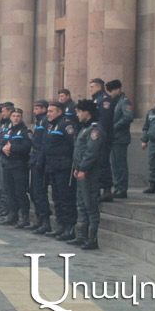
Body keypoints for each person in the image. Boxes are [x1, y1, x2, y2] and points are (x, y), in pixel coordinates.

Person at [70, 99, 105, 250]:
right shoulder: (85, 128)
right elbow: (80, 151)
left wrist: (83, 168)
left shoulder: (94, 129)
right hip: (81, 171)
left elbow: (91, 152)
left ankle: (92, 239)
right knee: (82, 204)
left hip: (90, 173)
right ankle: (81, 236)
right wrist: (77, 168)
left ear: (86, 112)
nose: (77, 115)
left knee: (90, 204)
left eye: (79, 112)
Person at [42, 101, 77, 241]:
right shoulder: (52, 125)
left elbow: (73, 144)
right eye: (48, 111)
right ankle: (60, 225)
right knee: (56, 198)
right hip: (53, 166)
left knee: (65, 198)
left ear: (59, 112)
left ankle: (69, 227)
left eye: (51, 111)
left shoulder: (66, 125)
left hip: (63, 166)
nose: (48, 114)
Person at [0, 108, 32, 227]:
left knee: (20, 192)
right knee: (10, 191)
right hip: (8, 165)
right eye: (13, 116)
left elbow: (27, 148)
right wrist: (3, 149)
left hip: (19, 165)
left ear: (21, 118)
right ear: (10, 117)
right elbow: (1, 144)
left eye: (18, 116)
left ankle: (25, 217)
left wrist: (11, 148)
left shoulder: (25, 131)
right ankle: (13, 215)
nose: (16, 118)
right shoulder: (8, 131)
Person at [106, 79, 134, 199]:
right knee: (115, 164)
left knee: (120, 164)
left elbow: (128, 117)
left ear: (118, 89)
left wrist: (113, 127)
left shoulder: (124, 102)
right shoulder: (115, 101)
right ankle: (118, 187)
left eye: (111, 91)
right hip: (114, 138)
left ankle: (121, 188)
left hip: (120, 138)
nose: (110, 94)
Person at [27, 100, 51, 233]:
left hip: (40, 160)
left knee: (40, 191)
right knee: (34, 191)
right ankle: (39, 218)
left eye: (37, 108)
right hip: (35, 158)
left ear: (44, 109)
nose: (34, 111)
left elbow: (44, 143)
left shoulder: (45, 121)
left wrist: (40, 160)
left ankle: (45, 221)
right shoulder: (39, 121)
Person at [89, 78, 115, 202]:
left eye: (92, 87)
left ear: (99, 87)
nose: (90, 89)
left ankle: (107, 189)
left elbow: (104, 120)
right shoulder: (96, 99)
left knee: (103, 162)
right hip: (96, 135)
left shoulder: (104, 100)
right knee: (97, 162)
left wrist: (98, 134)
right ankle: (98, 188)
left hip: (103, 136)